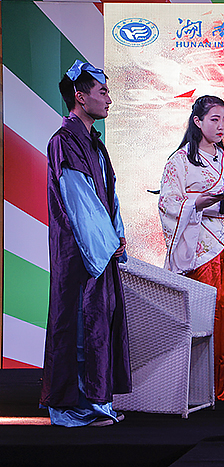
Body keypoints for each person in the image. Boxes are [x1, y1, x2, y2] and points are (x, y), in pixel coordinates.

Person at [41, 60, 130, 427]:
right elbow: (79, 201)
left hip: (99, 248)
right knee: (79, 325)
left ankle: (96, 401)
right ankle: (73, 407)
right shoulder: (64, 142)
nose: (109, 99)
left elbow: (108, 195)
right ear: (80, 97)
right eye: (103, 91)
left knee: (98, 324)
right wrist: (106, 244)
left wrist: (117, 232)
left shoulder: (93, 143)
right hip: (82, 252)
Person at [158, 95, 224, 400]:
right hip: (200, 246)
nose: (221, 126)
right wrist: (197, 203)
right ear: (197, 121)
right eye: (214, 119)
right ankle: (197, 386)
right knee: (204, 316)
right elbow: (167, 203)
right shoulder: (179, 161)